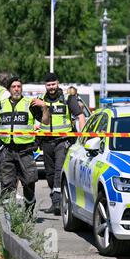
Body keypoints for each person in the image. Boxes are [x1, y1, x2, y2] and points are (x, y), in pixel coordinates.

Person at [0, 77, 49, 213]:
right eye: (14, 87)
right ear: (9, 89)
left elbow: (45, 122)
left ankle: (29, 210)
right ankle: (7, 216)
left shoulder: (30, 104)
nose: (16, 89)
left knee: (29, 183)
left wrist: (44, 107)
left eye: (19, 86)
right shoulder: (1, 105)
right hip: (7, 150)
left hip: (25, 151)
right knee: (7, 183)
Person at [40, 73, 86, 215]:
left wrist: (82, 137)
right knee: (49, 174)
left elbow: (80, 116)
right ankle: (56, 200)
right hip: (47, 142)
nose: (51, 87)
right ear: (45, 86)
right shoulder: (42, 100)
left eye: (53, 84)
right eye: (48, 85)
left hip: (62, 141)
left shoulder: (68, 98)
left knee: (59, 171)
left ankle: (58, 203)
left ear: (58, 83)